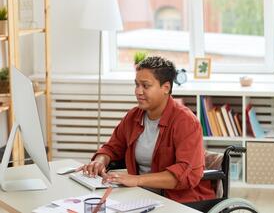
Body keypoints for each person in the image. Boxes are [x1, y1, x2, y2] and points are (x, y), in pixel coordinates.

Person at [77, 56, 215, 203]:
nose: (138, 91)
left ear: (166, 88)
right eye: (136, 85)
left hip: (181, 200)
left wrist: (137, 180)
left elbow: (185, 173)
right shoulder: (133, 116)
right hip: (143, 195)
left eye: (145, 86)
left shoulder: (186, 122)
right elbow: (112, 147)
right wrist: (100, 161)